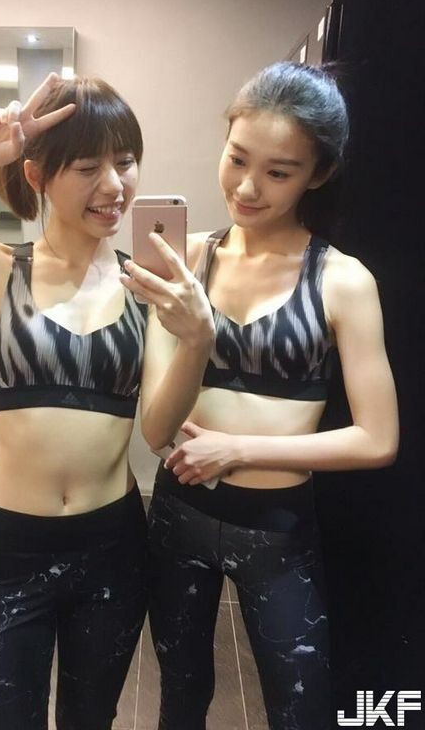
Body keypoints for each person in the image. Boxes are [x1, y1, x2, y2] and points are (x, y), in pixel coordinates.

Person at [124, 62, 399, 730]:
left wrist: (238, 449)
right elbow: (156, 430)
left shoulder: (342, 280)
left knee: (301, 706)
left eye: (279, 172)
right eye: (237, 158)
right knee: (181, 696)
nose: (247, 187)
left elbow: (379, 439)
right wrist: (195, 338)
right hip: (179, 516)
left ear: (317, 174)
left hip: (278, 529)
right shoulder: (184, 263)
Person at [0, 73, 214, 730]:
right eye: (88, 167)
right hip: (8, 550)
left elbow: (157, 430)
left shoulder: (146, 284)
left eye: (125, 162)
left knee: (91, 721)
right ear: (37, 174)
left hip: (110, 548)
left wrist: (197, 340)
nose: (114, 185)